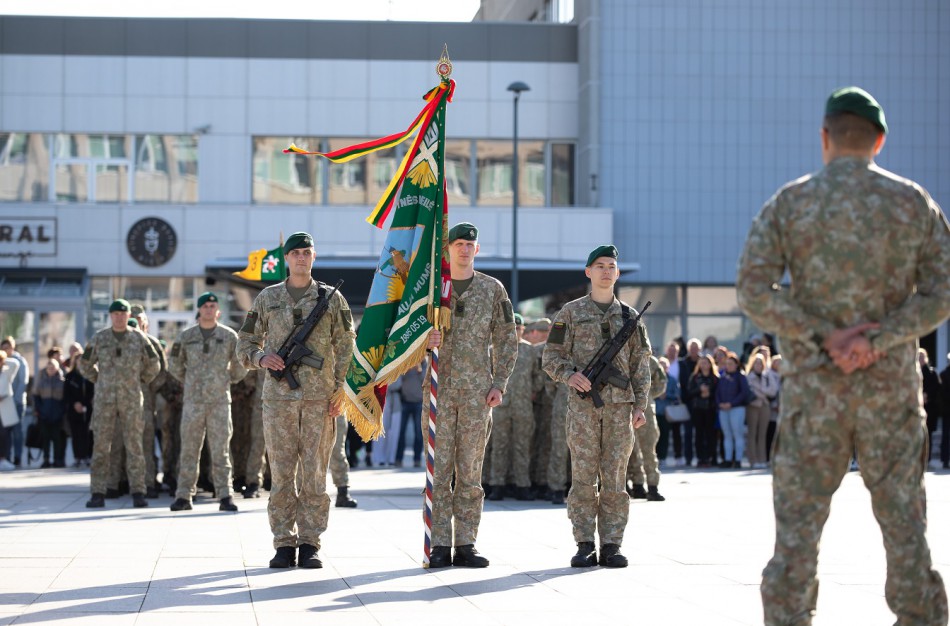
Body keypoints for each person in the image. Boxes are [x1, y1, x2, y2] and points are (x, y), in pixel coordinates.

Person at [737, 86, 950, 625]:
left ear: (825, 137)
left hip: (815, 395)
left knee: (797, 535)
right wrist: (875, 340)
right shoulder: (913, 202)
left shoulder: (793, 202)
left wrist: (821, 336)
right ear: (880, 139)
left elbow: (753, 290)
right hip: (890, 393)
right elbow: (943, 291)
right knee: (904, 528)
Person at [238, 231, 355, 569]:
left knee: (315, 475)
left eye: (307, 252)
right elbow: (245, 341)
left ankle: (310, 542)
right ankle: (283, 543)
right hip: (279, 401)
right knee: (282, 473)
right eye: (296, 253)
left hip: (321, 401)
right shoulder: (267, 297)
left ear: (313, 257)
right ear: (286, 258)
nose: (302, 258)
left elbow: (347, 346)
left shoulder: (331, 299)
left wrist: (341, 391)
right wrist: (261, 359)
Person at [542, 244, 651, 568]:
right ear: (588, 272)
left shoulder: (630, 318)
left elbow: (640, 367)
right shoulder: (571, 313)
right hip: (583, 409)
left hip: (620, 410)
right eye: (600, 265)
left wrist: (640, 406)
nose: (606, 271)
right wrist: (571, 375)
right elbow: (551, 358)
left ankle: (613, 544)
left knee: (616, 480)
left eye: (611, 266)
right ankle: (585, 543)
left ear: (617, 273)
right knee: (584, 479)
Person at [423, 222, 517, 568]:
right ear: (447, 249)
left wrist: (499, 383)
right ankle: (439, 544)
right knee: (438, 471)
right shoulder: (433, 289)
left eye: (469, 244)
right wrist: (424, 343)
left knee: (470, 472)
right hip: (439, 392)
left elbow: (507, 340)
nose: (464, 249)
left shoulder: (492, 290)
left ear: (477, 250)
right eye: (458, 243)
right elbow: (404, 338)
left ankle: (466, 542)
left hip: (478, 393)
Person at [168, 292, 248, 512]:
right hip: (193, 402)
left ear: (218, 311)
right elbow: (174, 363)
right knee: (189, 450)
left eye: (213, 306)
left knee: (221, 450)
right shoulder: (187, 336)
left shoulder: (229, 336)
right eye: (205, 306)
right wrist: (190, 380)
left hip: (219, 401)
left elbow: (240, 364)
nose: (209, 309)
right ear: (199, 310)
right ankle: (184, 496)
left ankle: (225, 495)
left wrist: (227, 379)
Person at [78, 299, 161, 508]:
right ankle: (98, 491)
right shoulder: (100, 338)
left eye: (123, 314)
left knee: (134, 446)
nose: (119, 317)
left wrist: (140, 380)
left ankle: (138, 491)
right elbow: (85, 363)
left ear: (127, 316)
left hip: (132, 400)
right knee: (101, 446)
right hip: (105, 401)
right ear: (110, 316)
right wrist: (99, 379)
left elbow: (154, 363)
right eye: (115, 314)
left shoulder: (139, 338)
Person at [487, 313, 543, 501]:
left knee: (522, 446)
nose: (516, 332)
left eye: (518, 329)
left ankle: (522, 485)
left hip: (523, 405)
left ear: (523, 330)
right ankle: (497, 484)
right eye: (512, 328)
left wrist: (533, 391)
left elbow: (539, 376)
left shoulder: (530, 351)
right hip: (500, 405)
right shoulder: (496, 350)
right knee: (499, 446)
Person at [626, 354, 667, 501]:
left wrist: (648, 395)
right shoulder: (621, 356)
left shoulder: (650, 360)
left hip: (645, 409)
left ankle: (652, 486)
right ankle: (636, 485)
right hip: (623, 407)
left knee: (649, 447)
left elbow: (661, 382)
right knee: (627, 450)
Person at [745, 347, 779, 469]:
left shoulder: (767, 375)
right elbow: (751, 391)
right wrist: (763, 395)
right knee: (752, 433)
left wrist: (762, 393)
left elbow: (773, 390)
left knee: (762, 434)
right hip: (753, 406)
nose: (758, 365)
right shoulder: (749, 376)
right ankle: (753, 460)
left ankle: (762, 459)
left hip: (765, 406)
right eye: (756, 363)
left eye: (760, 363)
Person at [33, 348, 67, 468]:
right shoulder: (42, 381)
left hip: (57, 415)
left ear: (57, 368)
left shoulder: (62, 381)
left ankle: (58, 459)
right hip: (44, 414)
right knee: (46, 438)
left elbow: (65, 399)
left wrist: (61, 412)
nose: (51, 370)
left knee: (57, 439)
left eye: (53, 368)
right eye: (49, 368)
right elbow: (36, 396)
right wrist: (39, 410)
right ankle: (46, 459)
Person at [715, 352, 748, 469]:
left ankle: (738, 460)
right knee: (727, 435)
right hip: (723, 410)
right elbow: (717, 392)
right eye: (727, 364)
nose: (728, 366)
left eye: (731, 364)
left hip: (737, 409)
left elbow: (743, 393)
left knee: (737, 434)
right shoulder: (722, 377)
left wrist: (732, 403)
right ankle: (728, 459)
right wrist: (720, 404)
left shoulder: (741, 376)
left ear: (736, 364)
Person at [64, 343, 94, 468]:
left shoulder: (90, 376)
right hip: (73, 410)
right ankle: (77, 457)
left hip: (88, 410)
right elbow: (66, 393)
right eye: (78, 360)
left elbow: (92, 392)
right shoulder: (70, 377)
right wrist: (75, 403)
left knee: (88, 434)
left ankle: (87, 456)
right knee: (76, 434)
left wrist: (85, 404)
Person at [0, 337, 29, 466]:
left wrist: (15, 399)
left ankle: (17, 458)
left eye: (7, 348)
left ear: (12, 348)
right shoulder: (3, 366)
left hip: (16, 403)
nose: (5, 350)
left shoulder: (19, 361)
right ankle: (7, 458)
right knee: (5, 433)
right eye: (3, 348)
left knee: (17, 432)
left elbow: (23, 383)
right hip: (5, 405)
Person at [687, 354, 719, 468]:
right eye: (702, 362)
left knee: (711, 434)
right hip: (698, 410)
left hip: (711, 410)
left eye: (706, 362)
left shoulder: (715, 378)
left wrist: (709, 394)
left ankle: (710, 457)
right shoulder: (695, 377)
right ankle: (700, 458)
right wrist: (699, 391)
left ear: (711, 364)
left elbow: (718, 393)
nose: (704, 365)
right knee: (699, 435)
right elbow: (689, 393)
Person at [395, 364, 424, 468]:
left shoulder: (425, 364)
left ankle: (417, 459)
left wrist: (419, 371)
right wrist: (406, 370)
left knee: (418, 433)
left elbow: (427, 382)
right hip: (405, 402)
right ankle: (398, 459)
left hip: (419, 403)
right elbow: (398, 381)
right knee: (401, 432)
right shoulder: (406, 363)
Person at [919, 349, 943, 470]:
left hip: (929, 408)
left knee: (928, 434)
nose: (920, 359)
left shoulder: (932, 373)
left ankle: (926, 459)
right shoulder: (912, 372)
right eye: (918, 357)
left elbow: (937, 388)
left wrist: (927, 395)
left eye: (922, 357)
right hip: (916, 407)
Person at [0, 349, 22, 470]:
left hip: (5, 408)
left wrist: (4, 358)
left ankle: (4, 458)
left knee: (5, 435)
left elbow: (15, 363)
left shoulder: (6, 372)